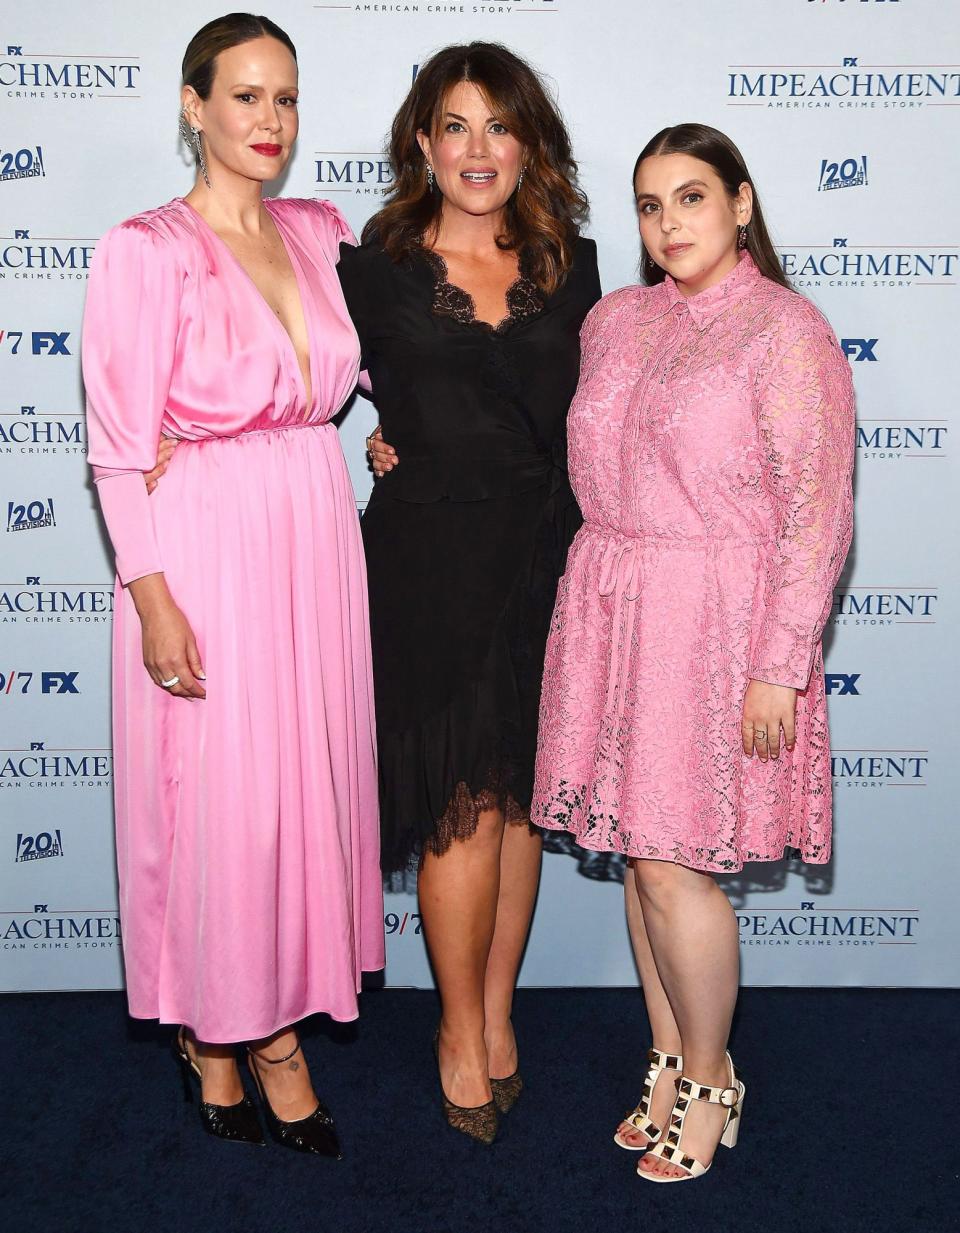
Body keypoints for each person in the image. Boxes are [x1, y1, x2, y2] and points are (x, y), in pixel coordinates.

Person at [82, 13, 384, 1156]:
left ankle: (262, 1028)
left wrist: (389, 434)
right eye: (246, 96)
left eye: (287, 99)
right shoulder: (145, 250)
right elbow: (118, 447)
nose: (270, 121)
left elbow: (379, 363)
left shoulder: (319, 230)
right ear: (192, 104)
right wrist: (154, 596)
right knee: (217, 798)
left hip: (313, 536)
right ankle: (233, 1038)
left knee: (298, 792)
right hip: (203, 547)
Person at [532, 123, 855, 1183]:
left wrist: (781, 661)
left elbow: (816, 517)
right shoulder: (615, 322)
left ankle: (714, 1077)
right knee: (641, 855)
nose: (669, 223)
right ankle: (668, 1059)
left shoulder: (785, 332)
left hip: (716, 625)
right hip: (616, 604)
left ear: (743, 205)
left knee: (679, 865)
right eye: (650, 204)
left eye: (693, 198)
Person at [338, 42, 601, 1143]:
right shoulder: (370, 268)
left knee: (523, 796)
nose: (478, 148)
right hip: (428, 562)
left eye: (500, 125)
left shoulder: (576, 265)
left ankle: (497, 1018)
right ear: (422, 143)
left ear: (528, 141)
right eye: (456, 125)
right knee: (459, 798)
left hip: (546, 556)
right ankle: (455, 1030)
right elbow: (288, 373)